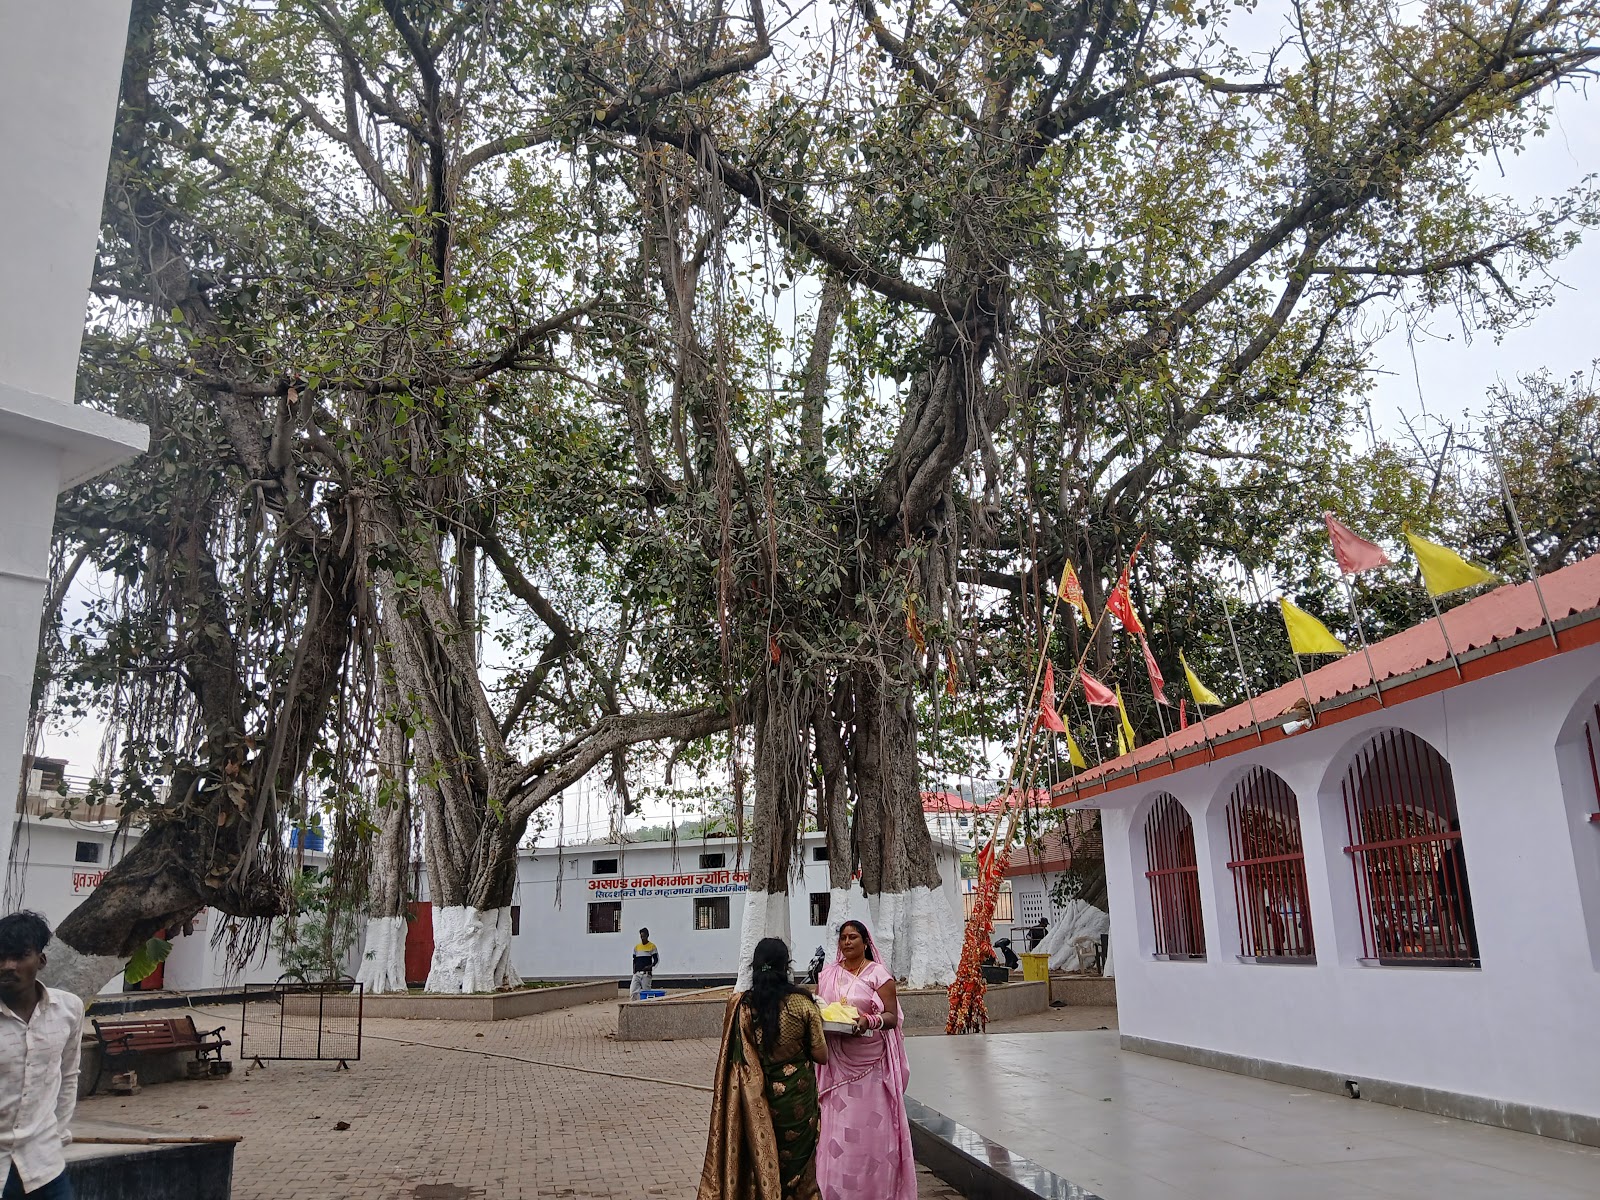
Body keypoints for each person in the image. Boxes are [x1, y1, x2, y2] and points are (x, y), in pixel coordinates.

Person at [698, 938, 828, 1200]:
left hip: (758, 1100)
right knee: (802, 1169)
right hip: (797, 1101)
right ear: (786, 966)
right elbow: (820, 1055)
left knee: (765, 1158)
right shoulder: (803, 1004)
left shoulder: (743, 1006)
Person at [814, 920, 916, 1200]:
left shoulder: (878, 975)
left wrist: (869, 1020)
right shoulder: (828, 974)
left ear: (865, 942)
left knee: (868, 1134)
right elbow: (820, 1008)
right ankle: (834, 1191)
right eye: (843, 938)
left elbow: (892, 1018)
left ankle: (874, 1192)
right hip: (836, 1066)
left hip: (870, 1068)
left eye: (853, 937)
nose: (847, 943)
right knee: (836, 1136)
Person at [1, 911, 85, 1200]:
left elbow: (69, 1075)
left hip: (44, 1166)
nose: (8, 966)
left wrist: (57, 1133)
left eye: (20, 956)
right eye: (0, 957)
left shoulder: (69, 1010)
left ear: (41, 960)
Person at [630, 928, 659, 1001]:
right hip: (637, 973)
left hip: (646, 974)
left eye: (644, 936)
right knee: (633, 991)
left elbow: (656, 960)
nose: (642, 938)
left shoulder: (652, 946)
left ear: (647, 935)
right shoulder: (637, 947)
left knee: (646, 992)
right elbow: (634, 960)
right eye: (641, 936)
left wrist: (649, 967)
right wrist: (634, 971)